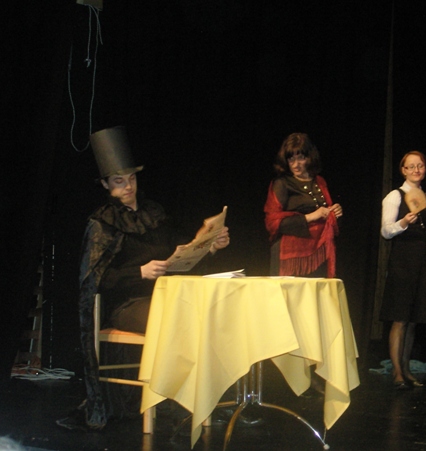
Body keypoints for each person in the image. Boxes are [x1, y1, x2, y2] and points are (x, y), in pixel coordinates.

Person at [62, 126, 230, 430]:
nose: (128, 186)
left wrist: (210, 245)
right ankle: (177, 403)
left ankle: (199, 401)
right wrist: (138, 272)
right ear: (105, 184)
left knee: (205, 314)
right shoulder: (103, 222)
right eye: (119, 181)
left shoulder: (154, 213)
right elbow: (96, 279)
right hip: (127, 304)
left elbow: (182, 252)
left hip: (166, 296)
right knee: (174, 319)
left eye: (132, 179)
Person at [380, 150, 426, 390]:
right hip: (402, 261)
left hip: (421, 261)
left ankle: (406, 368)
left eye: (420, 166)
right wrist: (403, 223)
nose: (416, 170)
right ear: (403, 170)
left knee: (413, 320)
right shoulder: (394, 196)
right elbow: (385, 231)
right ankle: (397, 372)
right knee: (400, 318)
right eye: (411, 166)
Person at [264, 132, 342, 278]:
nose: (296, 165)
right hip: (291, 256)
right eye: (291, 159)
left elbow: (329, 221)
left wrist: (335, 212)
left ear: (310, 157)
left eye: (301, 158)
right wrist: (311, 216)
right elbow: (273, 223)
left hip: (318, 251)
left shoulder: (319, 181)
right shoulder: (282, 183)